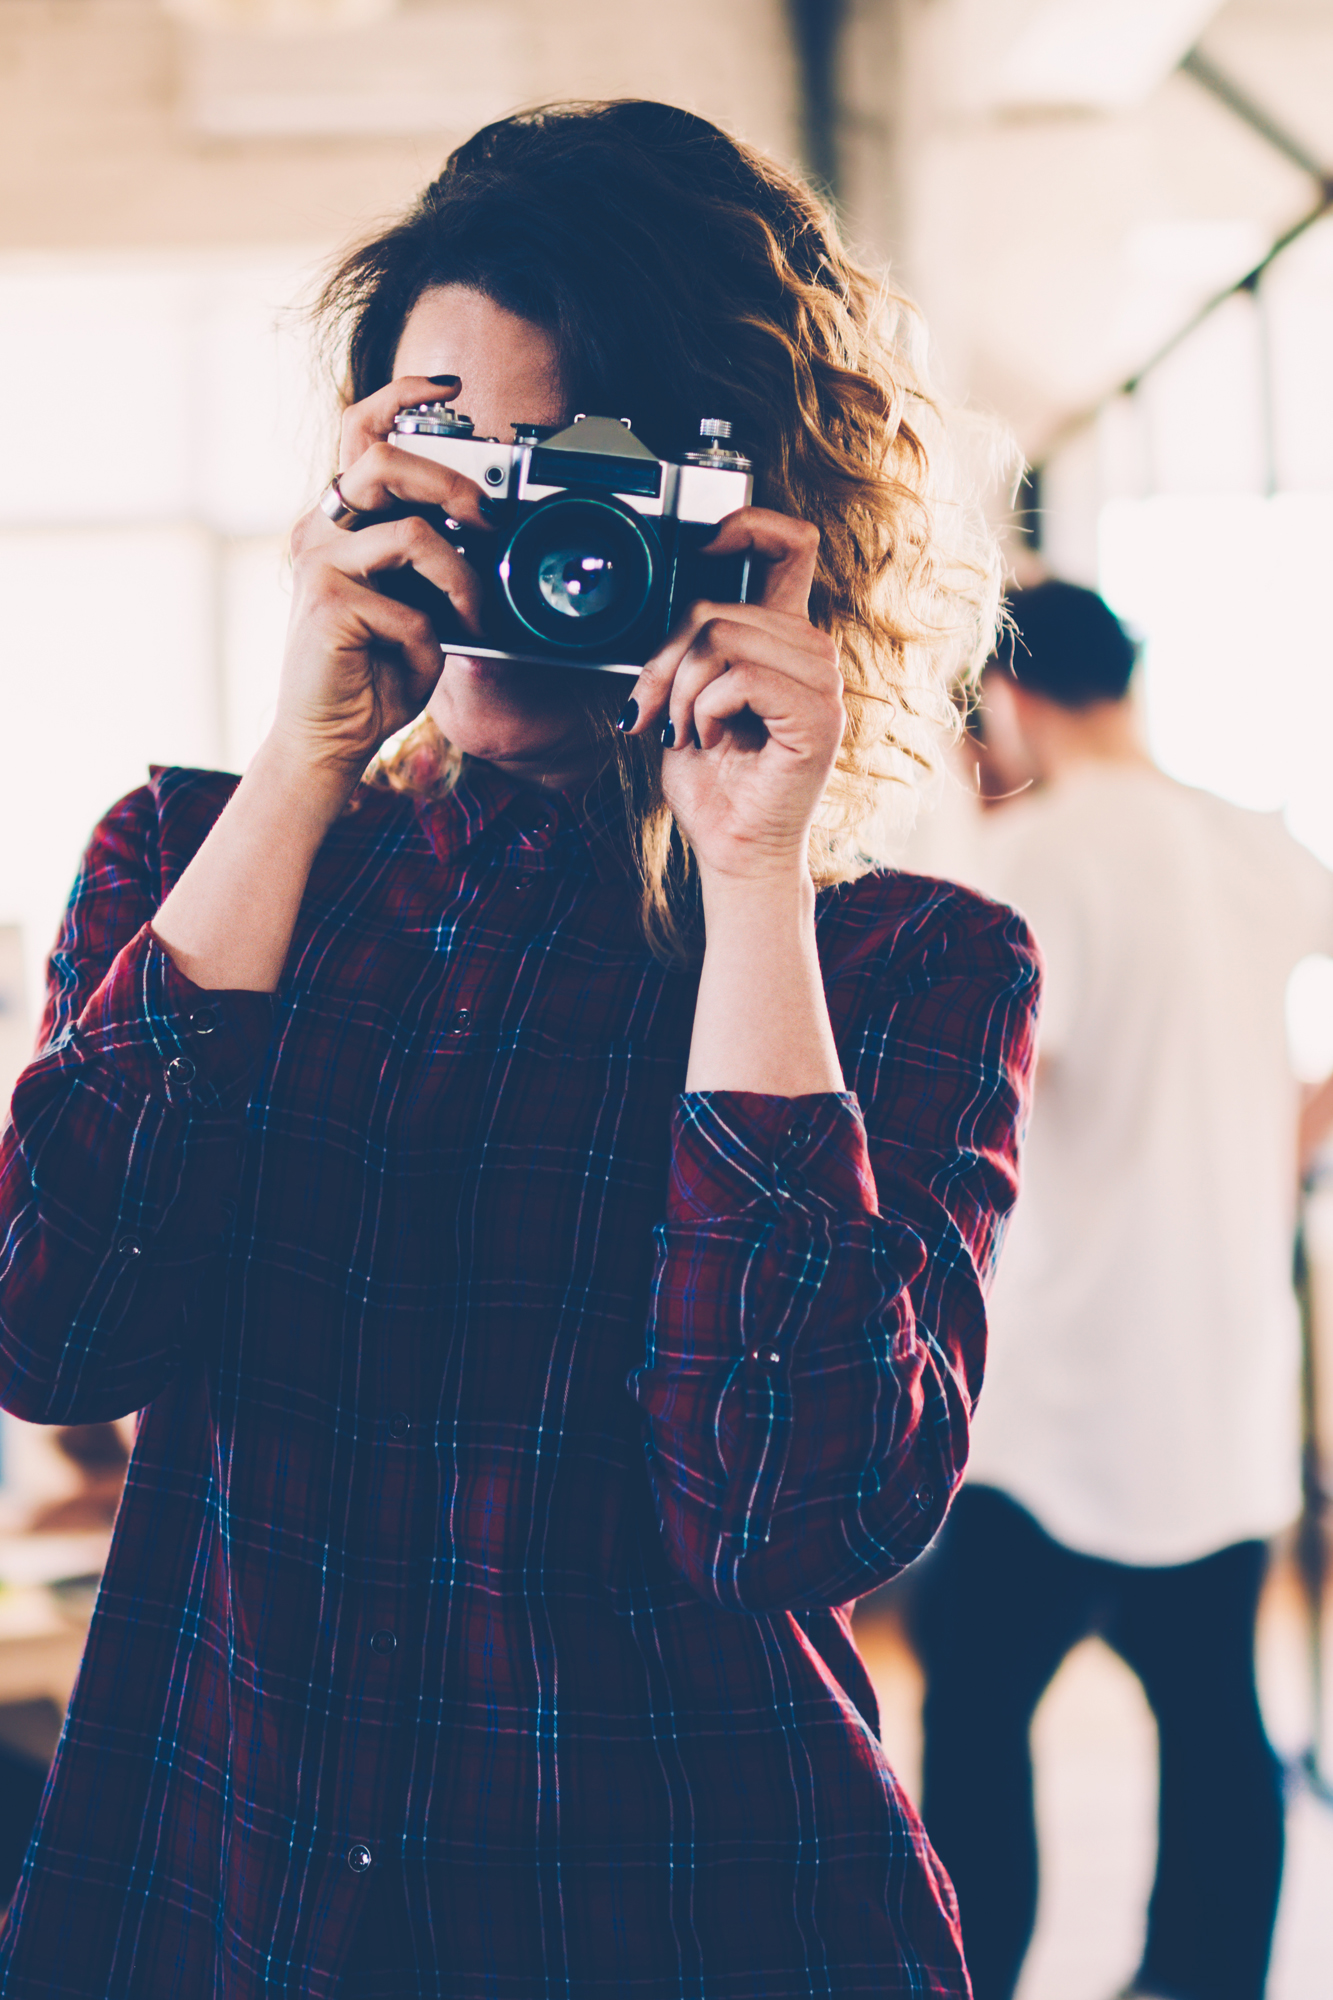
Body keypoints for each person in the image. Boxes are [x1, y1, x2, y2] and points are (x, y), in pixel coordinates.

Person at [0, 102, 1039, 1998]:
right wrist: (305, 757)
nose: (503, 530)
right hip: (217, 1898)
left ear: (749, 508)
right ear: (353, 473)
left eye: (584, 474)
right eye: (446, 451)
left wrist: (749, 873)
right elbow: (47, 1325)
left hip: (686, 1910)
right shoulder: (188, 863)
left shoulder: (897, 964)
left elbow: (780, 1510)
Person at [915, 578, 1333, 2000]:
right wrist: (1283, 1127)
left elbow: (990, 1098)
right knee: (1219, 1721)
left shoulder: (1030, 858)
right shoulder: (1247, 842)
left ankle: (970, 1980)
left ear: (1005, 699)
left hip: (1055, 1393)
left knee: (973, 1731)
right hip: (1216, 1378)